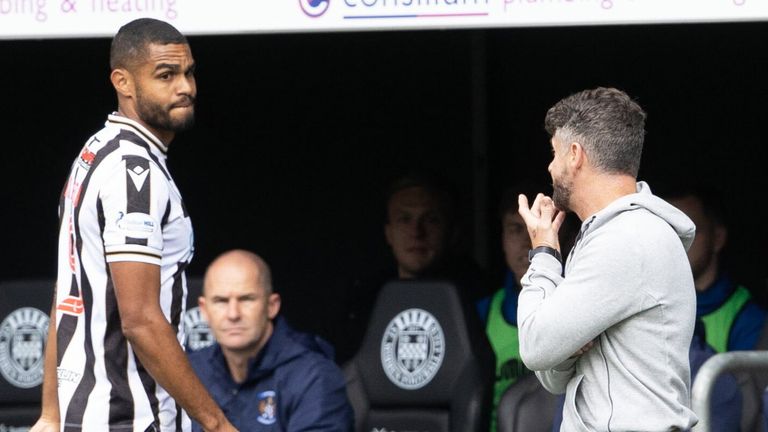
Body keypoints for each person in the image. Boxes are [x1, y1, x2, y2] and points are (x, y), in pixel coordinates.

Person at [32, 18, 236, 432]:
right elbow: (140, 319)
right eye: (166, 75)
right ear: (123, 82)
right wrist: (217, 424)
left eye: (189, 72)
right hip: (132, 418)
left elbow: (68, 293)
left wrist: (51, 415)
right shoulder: (132, 172)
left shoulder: (95, 152)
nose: (186, 88)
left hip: (85, 416)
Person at [516, 87, 699, 430]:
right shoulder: (611, 235)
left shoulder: (626, 239)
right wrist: (565, 346)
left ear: (575, 155)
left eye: (554, 153)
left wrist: (543, 253)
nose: (550, 166)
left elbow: (535, 347)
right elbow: (552, 377)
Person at [188, 249, 354, 431]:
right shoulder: (190, 371)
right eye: (221, 301)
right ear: (204, 310)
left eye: (246, 299)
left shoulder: (314, 376)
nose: (233, 314)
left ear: (272, 306)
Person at [335, 172, 489, 364]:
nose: (416, 232)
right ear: (389, 233)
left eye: (431, 219)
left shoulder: (482, 302)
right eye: (404, 219)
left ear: (452, 232)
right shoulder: (363, 304)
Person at [475, 182, 578, 432]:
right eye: (515, 229)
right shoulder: (483, 313)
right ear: (501, 237)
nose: (527, 242)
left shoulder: (580, 309)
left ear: (565, 234)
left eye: (538, 228)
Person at [662, 182, 767, 353]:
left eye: (688, 232)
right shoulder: (646, 301)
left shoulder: (749, 318)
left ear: (717, 238)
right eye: (667, 231)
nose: (676, 242)